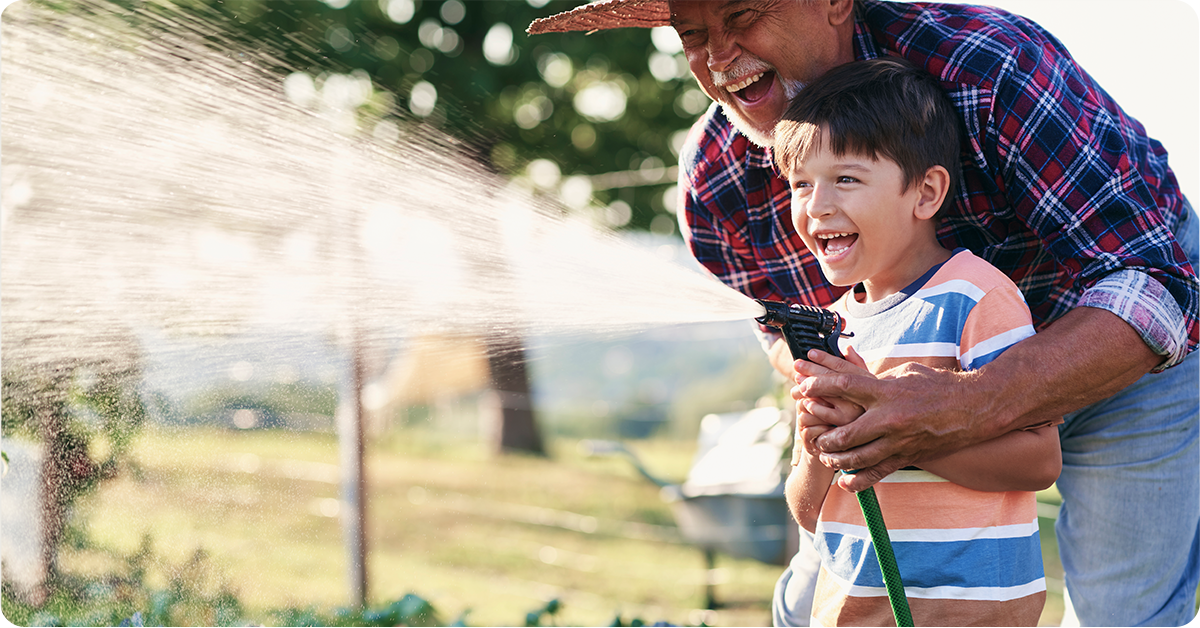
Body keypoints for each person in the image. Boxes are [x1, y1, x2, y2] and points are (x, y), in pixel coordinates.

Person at [527, 1, 1200, 625]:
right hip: (906, 399)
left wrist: (962, 405)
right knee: (807, 599)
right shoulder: (718, 183)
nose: (721, 56)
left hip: (1118, 341)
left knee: (1124, 612)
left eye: (743, 14)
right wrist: (846, 405)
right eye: (693, 35)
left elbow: (1155, 288)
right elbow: (796, 343)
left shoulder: (989, 65)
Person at [776, 56, 1060, 626]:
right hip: (851, 611)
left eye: (846, 179)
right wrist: (818, 448)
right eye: (801, 183)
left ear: (926, 192)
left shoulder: (974, 298)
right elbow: (808, 513)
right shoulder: (832, 330)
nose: (816, 205)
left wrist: (901, 436)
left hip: (970, 613)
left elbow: (1038, 460)